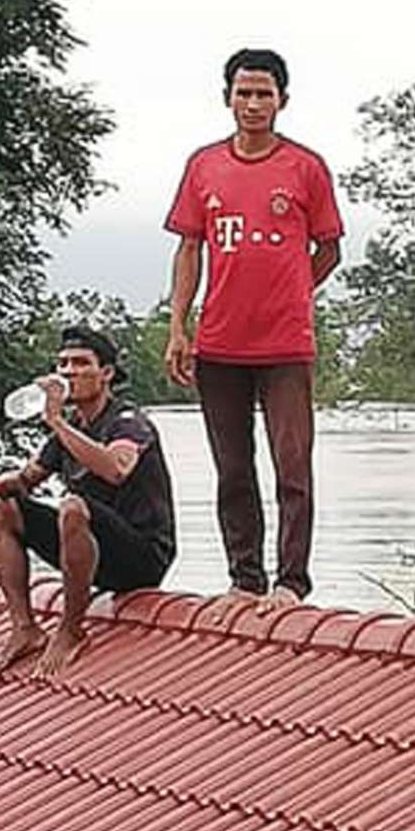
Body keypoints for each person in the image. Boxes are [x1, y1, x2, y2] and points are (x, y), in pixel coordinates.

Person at [162, 47, 343, 612]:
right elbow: (189, 248)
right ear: (227, 99)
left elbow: (330, 248)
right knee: (232, 468)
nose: (254, 103)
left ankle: (292, 583)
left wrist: (293, 292)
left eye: (265, 93)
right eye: (244, 93)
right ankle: (245, 579)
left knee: (293, 464)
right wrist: (179, 326)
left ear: (282, 101)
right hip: (219, 343)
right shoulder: (204, 167)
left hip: (286, 343)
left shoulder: (305, 167)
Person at [0, 326, 178, 678]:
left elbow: (116, 469)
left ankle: (71, 629)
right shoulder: (69, 429)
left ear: (106, 374)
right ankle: (25, 628)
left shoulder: (129, 421)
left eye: (81, 363)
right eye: (63, 364)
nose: (69, 372)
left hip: (141, 555)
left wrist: (55, 422)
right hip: (89, 546)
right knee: (2, 510)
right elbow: (26, 480)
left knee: (71, 505)